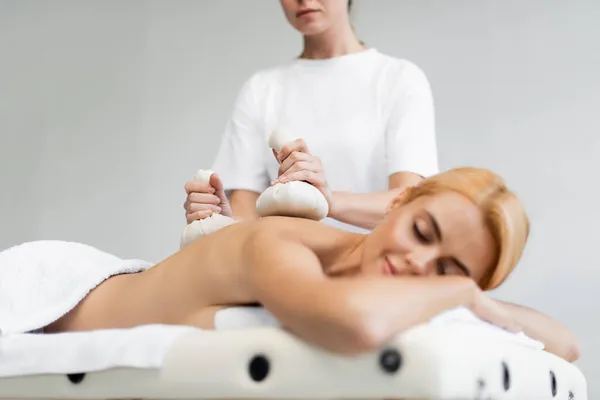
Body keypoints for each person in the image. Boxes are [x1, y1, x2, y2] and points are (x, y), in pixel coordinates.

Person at [46, 167, 580, 362]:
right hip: (53, 302)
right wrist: (461, 293)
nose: (418, 263)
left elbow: (564, 344)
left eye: (446, 269)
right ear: (394, 205)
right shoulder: (280, 243)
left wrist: (475, 296)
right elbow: (353, 325)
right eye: (421, 231)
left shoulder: (365, 281)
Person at [184, 0, 439, 232]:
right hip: (285, 273)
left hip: (372, 272)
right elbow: (246, 216)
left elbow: (409, 203)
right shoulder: (262, 89)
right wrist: (220, 222)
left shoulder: (398, 78)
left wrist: (327, 200)